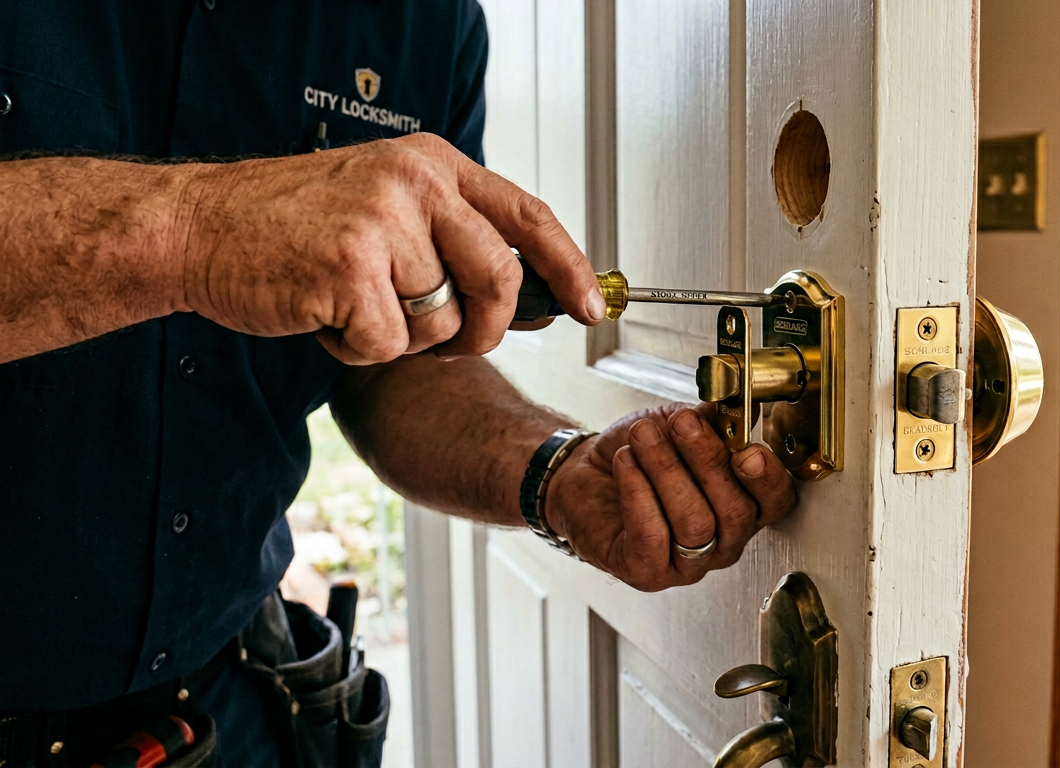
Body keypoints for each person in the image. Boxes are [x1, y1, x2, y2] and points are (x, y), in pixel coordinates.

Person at [0, 2, 797, 765]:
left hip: (226, 704)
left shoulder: (431, 23)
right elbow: (213, 234)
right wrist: (193, 232)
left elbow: (393, 362)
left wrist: (557, 473)